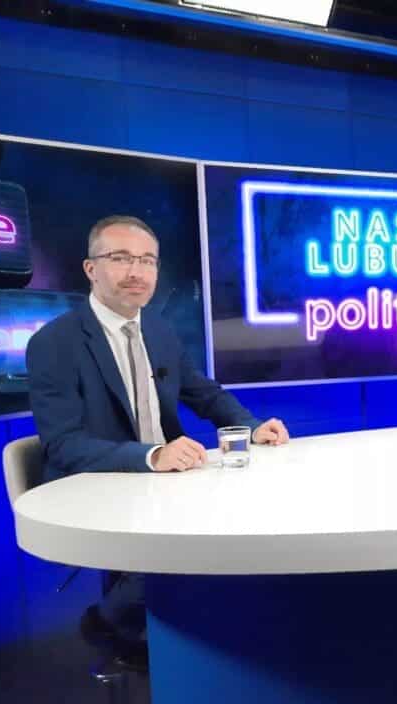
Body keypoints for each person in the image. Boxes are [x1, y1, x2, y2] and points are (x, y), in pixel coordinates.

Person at [26, 215, 290, 649]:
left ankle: (196, 635)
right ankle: (112, 623)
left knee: (242, 523)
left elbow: (203, 392)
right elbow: (63, 444)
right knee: (195, 550)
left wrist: (253, 426)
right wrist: (152, 456)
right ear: (91, 269)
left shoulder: (158, 330)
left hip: (163, 484)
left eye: (147, 260)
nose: (137, 271)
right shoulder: (55, 343)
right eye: (121, 258)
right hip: (99, 486)